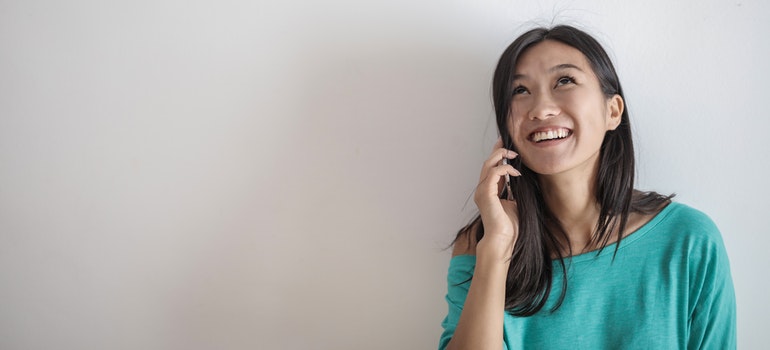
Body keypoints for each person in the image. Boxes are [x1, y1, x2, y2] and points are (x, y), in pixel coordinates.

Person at [438, 25, 736, 350]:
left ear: (612, 111)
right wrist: (497, 249)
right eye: (520, 91)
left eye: (564, 81)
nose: (540, 109)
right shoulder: (482, 245)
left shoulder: (688, 240)